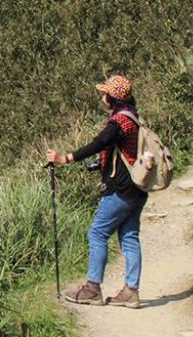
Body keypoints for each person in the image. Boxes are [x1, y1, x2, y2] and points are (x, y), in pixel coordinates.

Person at [46, 75, 147, 308]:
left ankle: (92, 289)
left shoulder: (118, 122)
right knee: (129, 238)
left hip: (120, 189)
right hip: (138, 188)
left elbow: (98, 143)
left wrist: (65, 158)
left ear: (112, 98)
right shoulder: (134, 117)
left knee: (97, 234)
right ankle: (131, 291)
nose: (102, 97)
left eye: (105, 93)